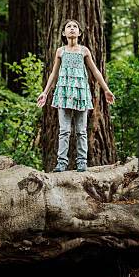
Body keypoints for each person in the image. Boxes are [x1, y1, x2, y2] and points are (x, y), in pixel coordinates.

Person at [36, 19, 115, 172]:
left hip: (80, 93)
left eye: (75, 27)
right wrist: (45, 93)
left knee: (81, 131)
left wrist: (106, 89)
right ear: (64, 33)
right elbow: (53, 73)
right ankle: (61, 163)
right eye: (68, 27)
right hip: (64, 93)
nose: (72, 29)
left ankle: (81, 162)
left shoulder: (84, 50)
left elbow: (95, 71)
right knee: (64, 131)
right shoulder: (60, 51)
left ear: (79, 33)